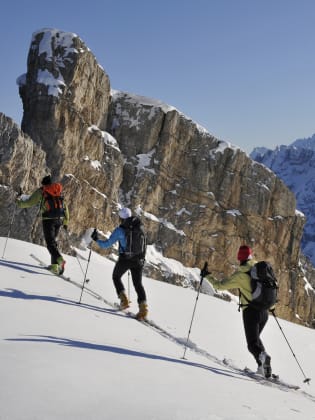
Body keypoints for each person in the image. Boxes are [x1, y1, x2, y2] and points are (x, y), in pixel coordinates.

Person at [202, 245, 272, 378]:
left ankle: (263, 358)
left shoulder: (241, 274)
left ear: (239, 258)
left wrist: (207, 276)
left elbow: (219, 286)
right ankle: (263, 367)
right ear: (250, 256)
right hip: (265, 312)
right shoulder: (260, 268)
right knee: (256, 340)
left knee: (252, 344)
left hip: (251, 312)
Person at [91, 207, 148, 320]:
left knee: (116, 277)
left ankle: (124, 300)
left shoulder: (120, 230)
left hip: (125, 259)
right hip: (139, 259)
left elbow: (106, 245)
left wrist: (96, 239)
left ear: (121, 218)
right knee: (138, 284)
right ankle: (143, 308)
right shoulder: (140, 227)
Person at [17, 175, 69, 274]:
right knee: (53, 242)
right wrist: (66, 222)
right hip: (59, 219)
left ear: (43, 184)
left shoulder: (42, 191)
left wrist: (18, 202)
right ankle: (54, 266)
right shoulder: (57, 191)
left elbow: (29, 202)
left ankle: (60, 260)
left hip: (48, 220)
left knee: (50, 244)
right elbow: (65, 207)